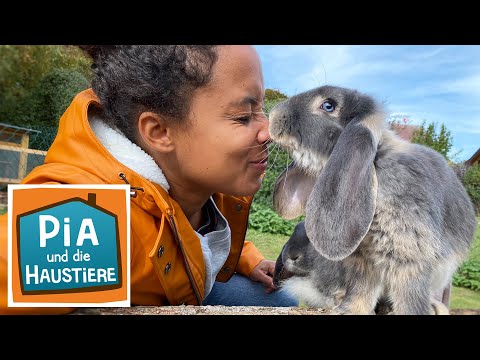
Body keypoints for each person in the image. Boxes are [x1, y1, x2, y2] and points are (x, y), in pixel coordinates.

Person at [0, 45, 299, 314]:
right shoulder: (94, 220)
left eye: (261, 109)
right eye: (243, 116)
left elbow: (192, 229)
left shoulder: (199, 178)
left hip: (192, 287)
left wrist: (247, 257)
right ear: (159, 132)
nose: (268, 131)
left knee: (285, 300)